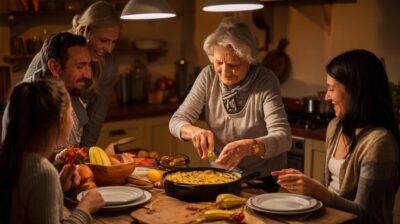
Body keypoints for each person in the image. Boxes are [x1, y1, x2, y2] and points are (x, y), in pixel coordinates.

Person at [272, 49, 399, 223]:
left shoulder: (379, 143)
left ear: (356, 92)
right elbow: (330, 188)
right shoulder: (336, 127)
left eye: (332, 88)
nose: (326, 96)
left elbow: (365, 214)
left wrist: (316, 190)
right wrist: (304, 184)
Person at [169, 16, 291, 191]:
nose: (225, 73)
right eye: (219, 63)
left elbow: (284, 138)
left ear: (249, 60)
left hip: (263, 177)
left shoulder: (266, 80)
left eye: (233, 65)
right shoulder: (208, 76)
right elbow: (176, 120)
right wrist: (194, 132)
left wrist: (249, 147)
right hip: (221, 176)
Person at [0, 79, 105, 224]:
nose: (73, 122)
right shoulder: (43, 172)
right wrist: (85, 208)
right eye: (71, 114)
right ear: (61, 120)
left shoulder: (12, 158)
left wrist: (58, 187)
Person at [23, 0, 121, 147]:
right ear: (82, 31)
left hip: (72, 140)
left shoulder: (109, 65)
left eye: (113, 42)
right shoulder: (54, 52)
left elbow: (95, 117)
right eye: (104, 40)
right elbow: (25, 108)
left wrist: (85, 154)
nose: (109, 49)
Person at [2, 32, 93, 149]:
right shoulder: (28, 104)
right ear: (54, 67)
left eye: (88, 65)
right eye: (80, 66)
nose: (88, 75)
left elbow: (72, 155)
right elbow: (27, 163)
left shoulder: (72, 95)